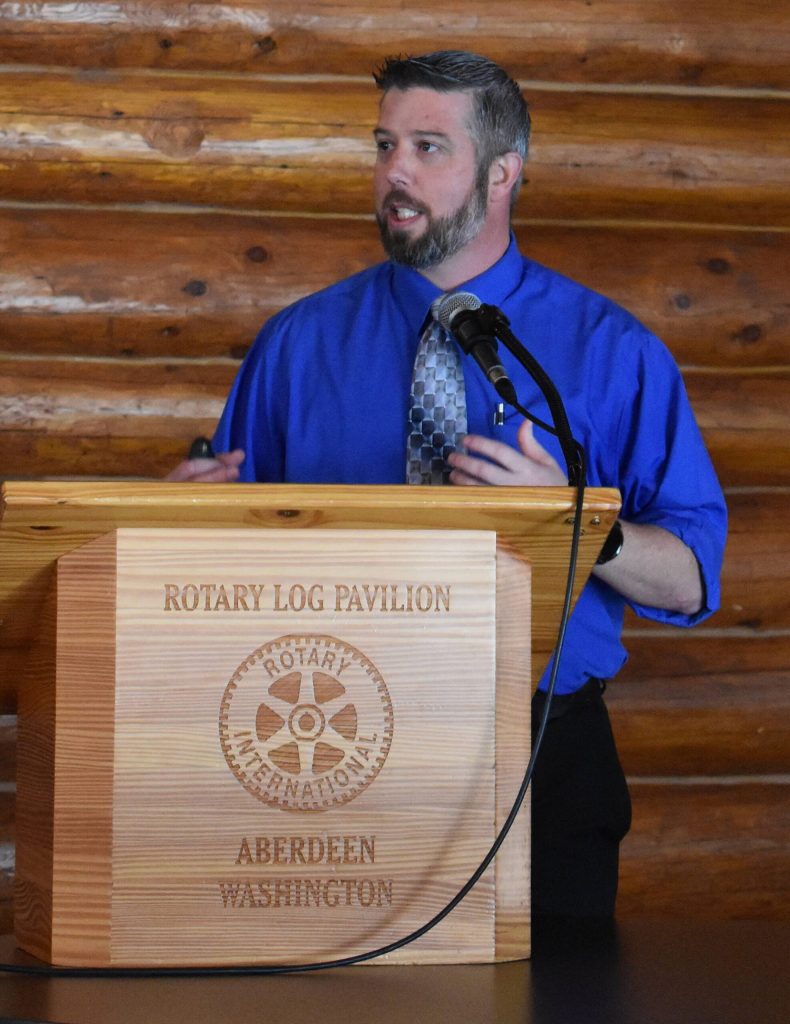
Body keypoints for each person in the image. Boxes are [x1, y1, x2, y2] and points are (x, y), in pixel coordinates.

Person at [168, 51, 727, 922]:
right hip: (327, 747)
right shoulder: (297, 345)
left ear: (504, 172)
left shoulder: (614, 353)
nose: (395, 171)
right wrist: (172, 522)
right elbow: (220, 555)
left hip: (541, 758)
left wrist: (582, 522)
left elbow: (692, 577)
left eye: (429, 147)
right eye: (385, 144)